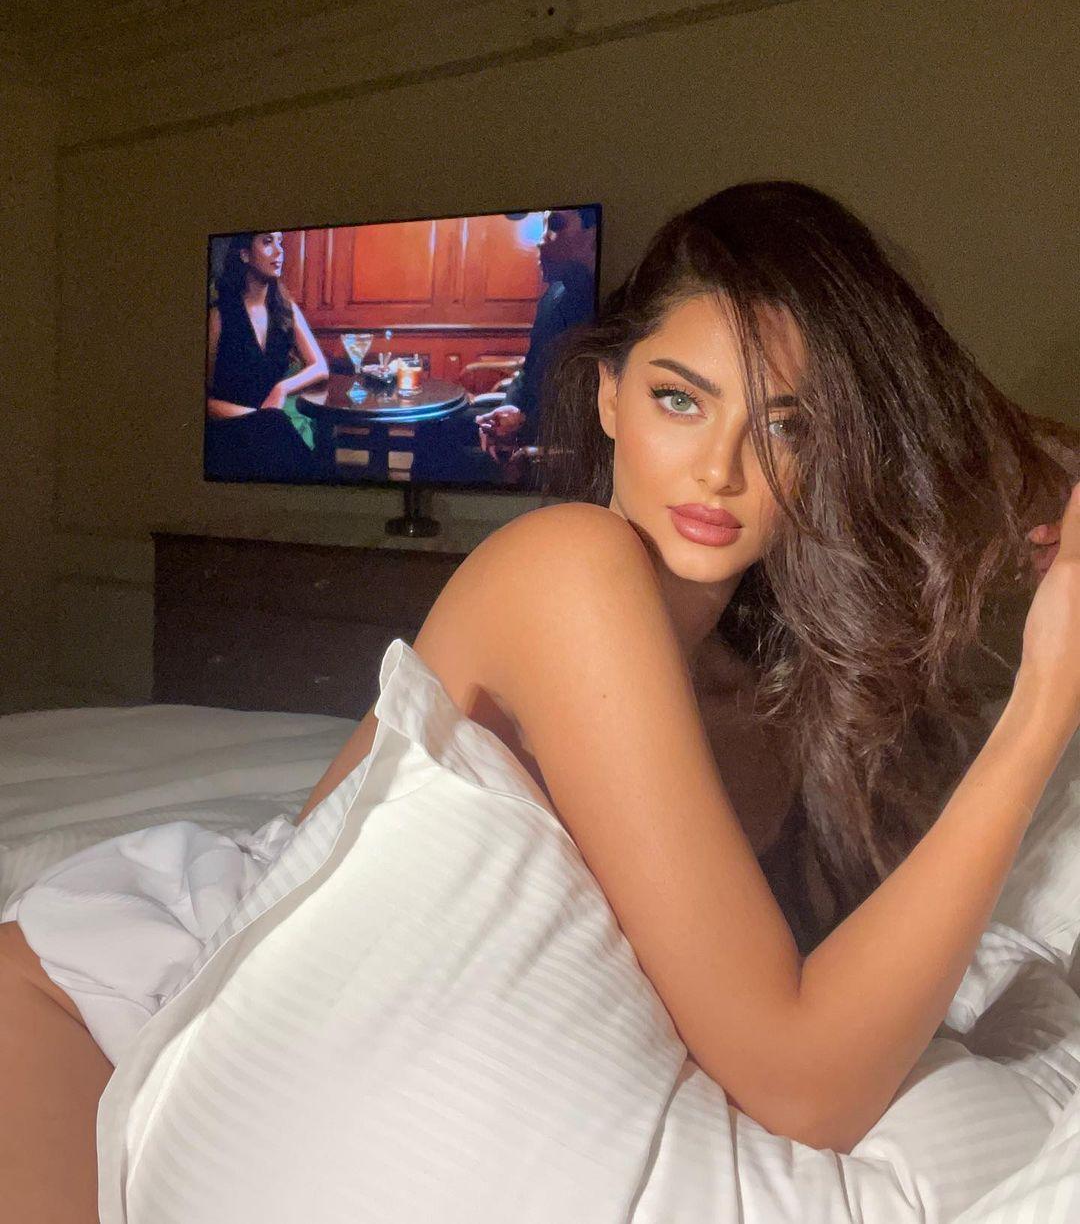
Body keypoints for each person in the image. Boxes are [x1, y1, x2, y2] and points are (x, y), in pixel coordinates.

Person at [1, 181, 1076, 1220]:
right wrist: (1040, 712)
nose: (721, 469)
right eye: (679, 399)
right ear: (608, 396)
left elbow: (811, 1023)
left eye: (789, 428)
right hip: (102, 1006)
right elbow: (801, 1081)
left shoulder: (775, 700)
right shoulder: (567, 567)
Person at [411, 206, 598, 485]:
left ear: (593, 235)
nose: (541, 240)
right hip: (526, 422)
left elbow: (589, 411)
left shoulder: (606, 309)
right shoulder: (553, 296)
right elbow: (528, 371)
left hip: (560, 442)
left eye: (556, 225)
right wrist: (508, 408)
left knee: (445, 458)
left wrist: (522, 424)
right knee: (433, 425)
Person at [205, 231, 329, 482]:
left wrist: (281, 388)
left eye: (280, 242)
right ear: (245, 254)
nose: (279, 250)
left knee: (275, 429)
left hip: (271, 425)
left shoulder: (285, 308)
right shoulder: (219, 315)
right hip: (230, 425)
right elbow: (204, 400)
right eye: (267, 242)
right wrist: (256, 416)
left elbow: (320, 367)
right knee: (274, 427)